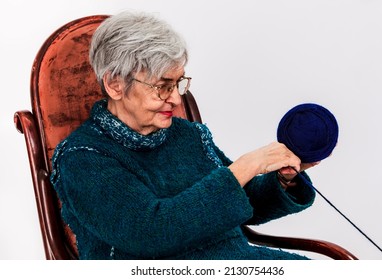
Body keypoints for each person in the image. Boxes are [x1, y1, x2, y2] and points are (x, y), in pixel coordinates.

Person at [50, 11, 320, 260]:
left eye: (178, 83)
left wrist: (283, 180)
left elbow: (243, 201)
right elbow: (150, 233)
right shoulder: (83, 158)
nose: (177, 99)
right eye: (163, 87)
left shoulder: (187, 136)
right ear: (115, 84)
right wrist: (246, 166)